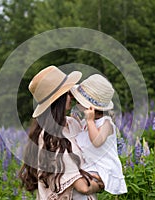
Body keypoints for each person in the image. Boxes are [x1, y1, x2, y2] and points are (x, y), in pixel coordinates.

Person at [19, 66, 104, 200]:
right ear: (60, 99)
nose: (72, 96)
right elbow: (83, 187)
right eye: (68, 93)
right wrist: (101, 183)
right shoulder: (51, 138)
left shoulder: (72, 123)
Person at [70, 74, 128, 195]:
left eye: (78, 100)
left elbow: (96, 142)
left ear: (90, 107)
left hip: (103, 168)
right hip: (89, 165)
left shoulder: (106, 123)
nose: (75, 102)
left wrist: (90, 121)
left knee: (80, 184)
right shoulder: (85, 123)